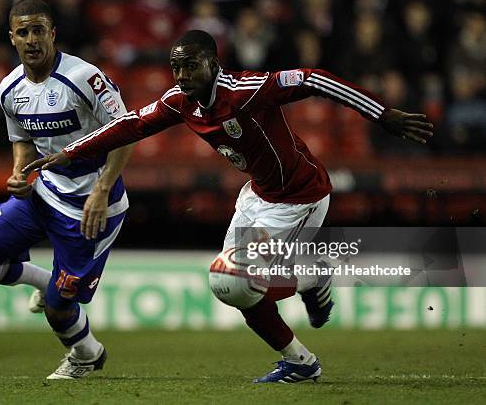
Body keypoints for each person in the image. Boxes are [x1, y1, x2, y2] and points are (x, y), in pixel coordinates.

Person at [22, 30, 433, 383]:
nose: (182, 76)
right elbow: (130, 125)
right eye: (176, 67)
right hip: (256, 197)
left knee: (232, 283)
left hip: (299, 198)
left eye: (191, 66)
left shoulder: (248, 91)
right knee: (232, 289)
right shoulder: (179, 102)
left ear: (214, 64)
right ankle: (303, 343)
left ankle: (308, 301)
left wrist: (383, 115)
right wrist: (70, 153)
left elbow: (313, 78)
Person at [0, 0, 133, 380]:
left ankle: (84, 354)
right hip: (44, 193)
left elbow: (127, 134)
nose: (32, 39)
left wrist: (102, 190)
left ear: (53, 34)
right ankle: (44, 281)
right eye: (23, 32)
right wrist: (19, 174)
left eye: (39, 30)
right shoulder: (9, 88)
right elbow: (21, 140)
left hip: (91, 207)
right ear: (12, 38)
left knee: (58, 310)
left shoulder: (84, 77)